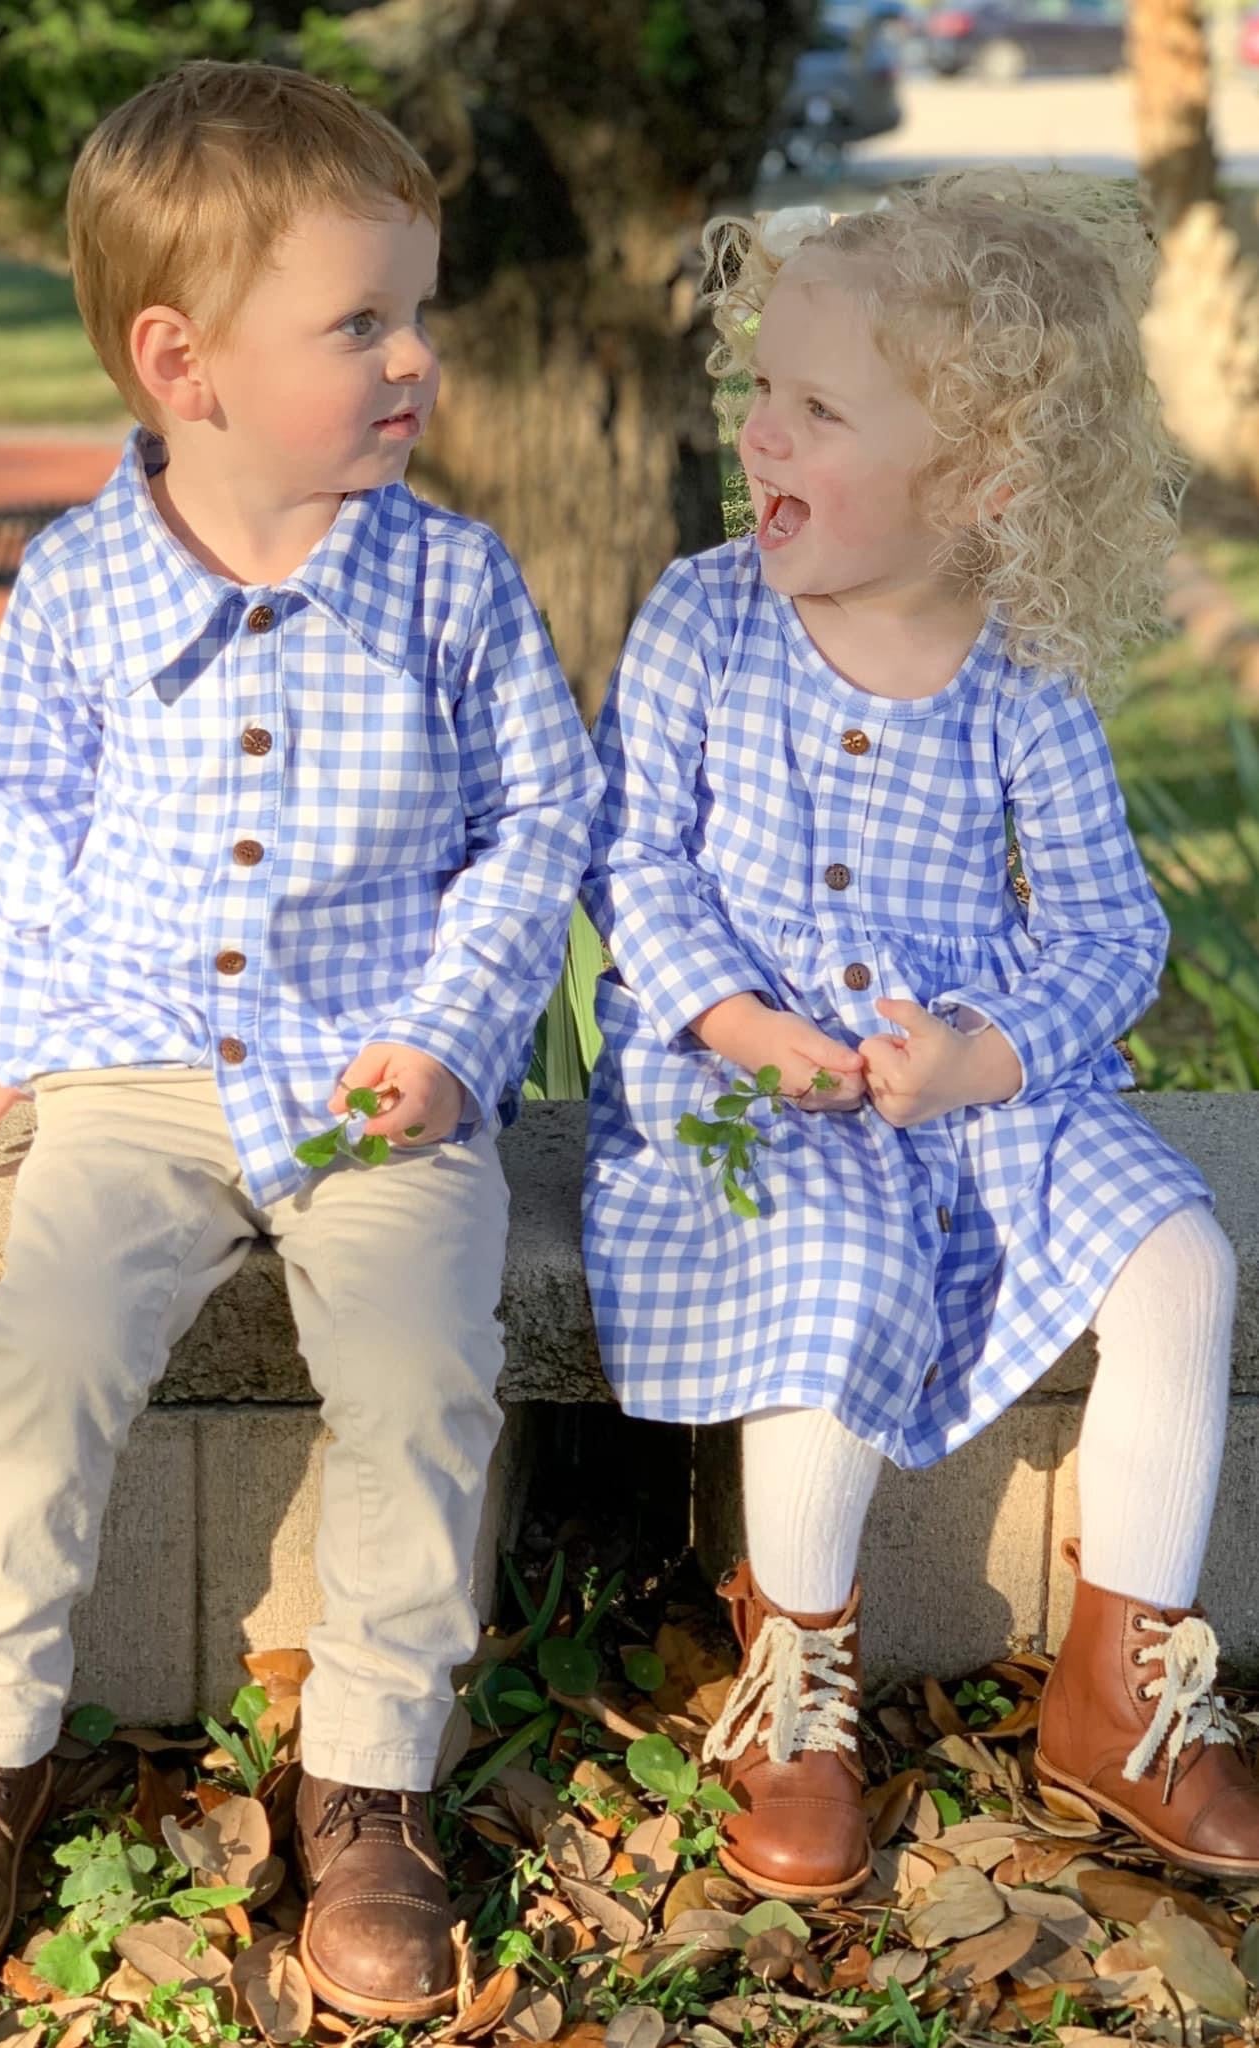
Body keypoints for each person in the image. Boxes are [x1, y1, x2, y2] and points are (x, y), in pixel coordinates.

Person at [0, 60, 602, 2012]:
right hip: (138, 1072)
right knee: (45, 1363)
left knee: (422, 1372)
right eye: (359, 322)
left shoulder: (449, 582)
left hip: (380, 1082)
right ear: (184, 364)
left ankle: (368, 1783)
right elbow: (33, 820)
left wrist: (447, 1036)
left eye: (414, 312)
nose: (412, 359)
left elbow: (543, 821)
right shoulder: (80, 586)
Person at [582, 171, 1258, 1901]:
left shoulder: (1019, 672)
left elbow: (1111, 929)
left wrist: (993, 1058)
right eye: (761, 390)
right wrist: (744, 1030)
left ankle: (1123, 1699)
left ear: (980, 484)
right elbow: (631, 863)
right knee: (831, 1271)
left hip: (973, 1071)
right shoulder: (703, 617)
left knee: (1179, 1256)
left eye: (819, 408)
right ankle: (799, 1678)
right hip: (746, 1078)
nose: (762, 435)